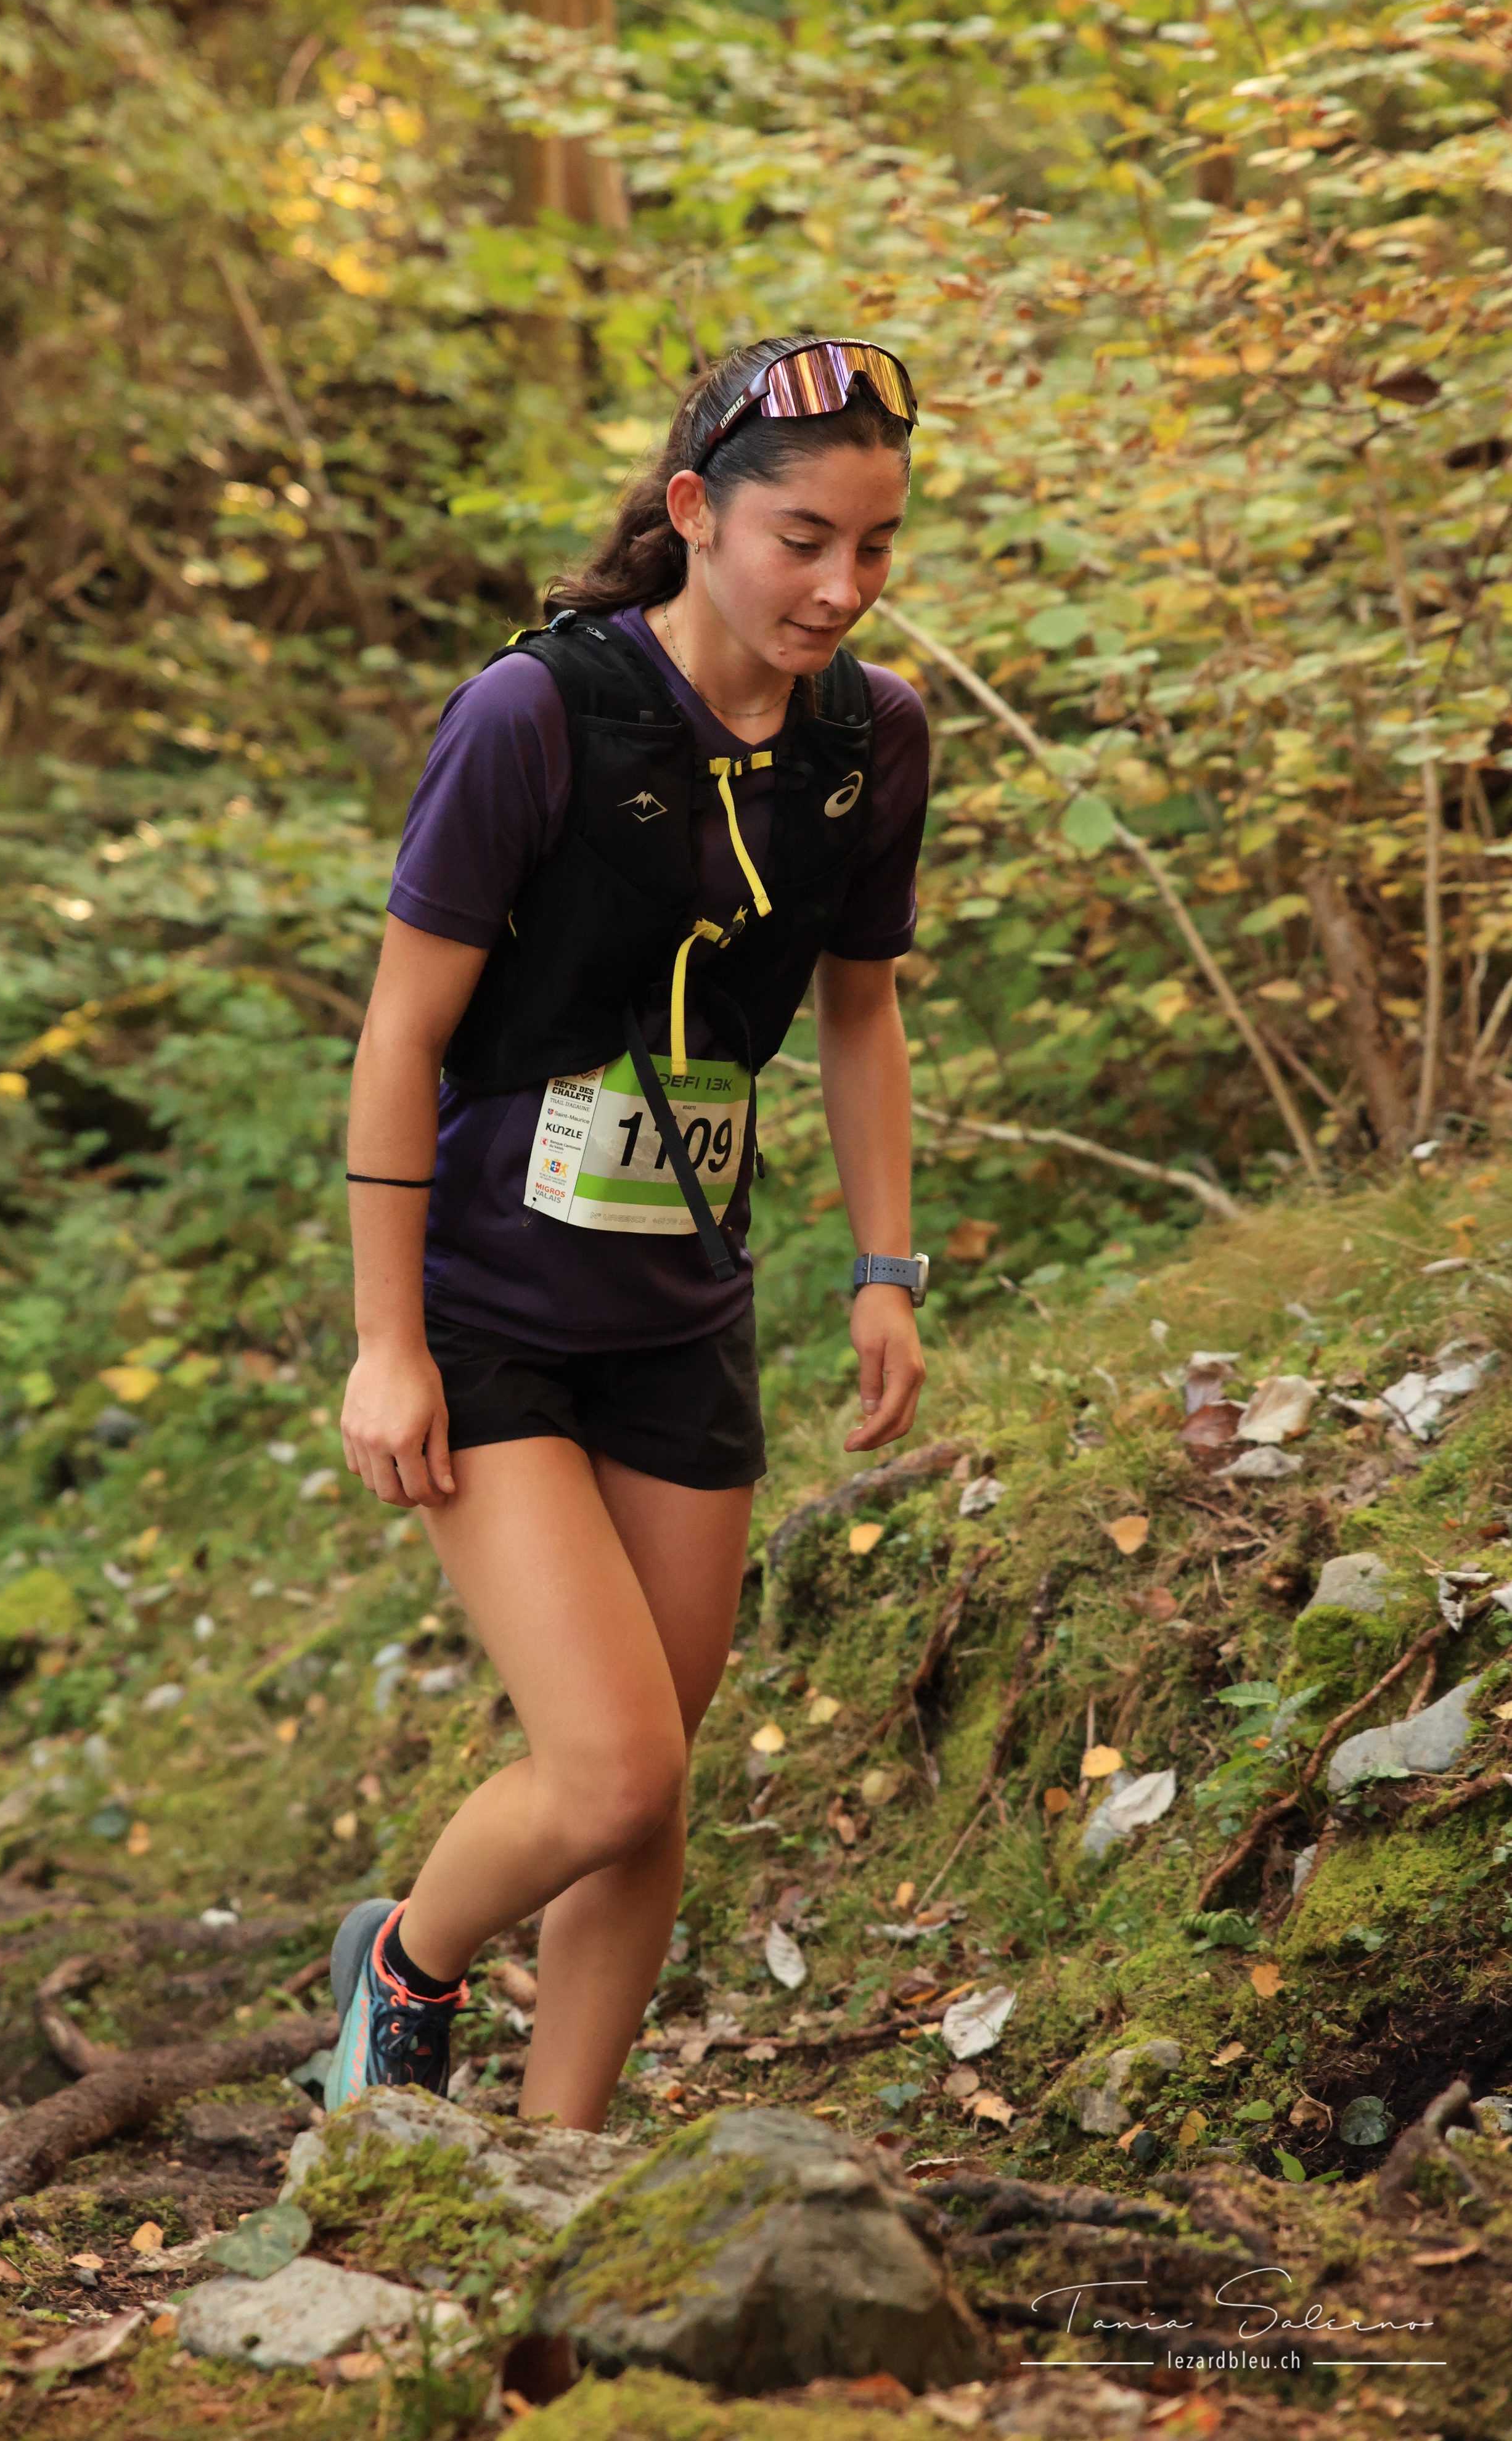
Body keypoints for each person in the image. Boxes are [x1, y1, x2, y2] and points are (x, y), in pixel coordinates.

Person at [330, 335, 931, 2130]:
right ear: (695, 513)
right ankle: (406, 1964)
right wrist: (386, 1344)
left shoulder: (868, 737)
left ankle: (557, 2170)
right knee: (604, 1770)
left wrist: (884, 1272)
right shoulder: (536, 714)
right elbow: (399, 1037)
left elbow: (859, 1011)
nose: (840, 587)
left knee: (653, 1783)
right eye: (802, 540)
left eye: (875, 547)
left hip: (682, 1302)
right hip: (490, 1312)